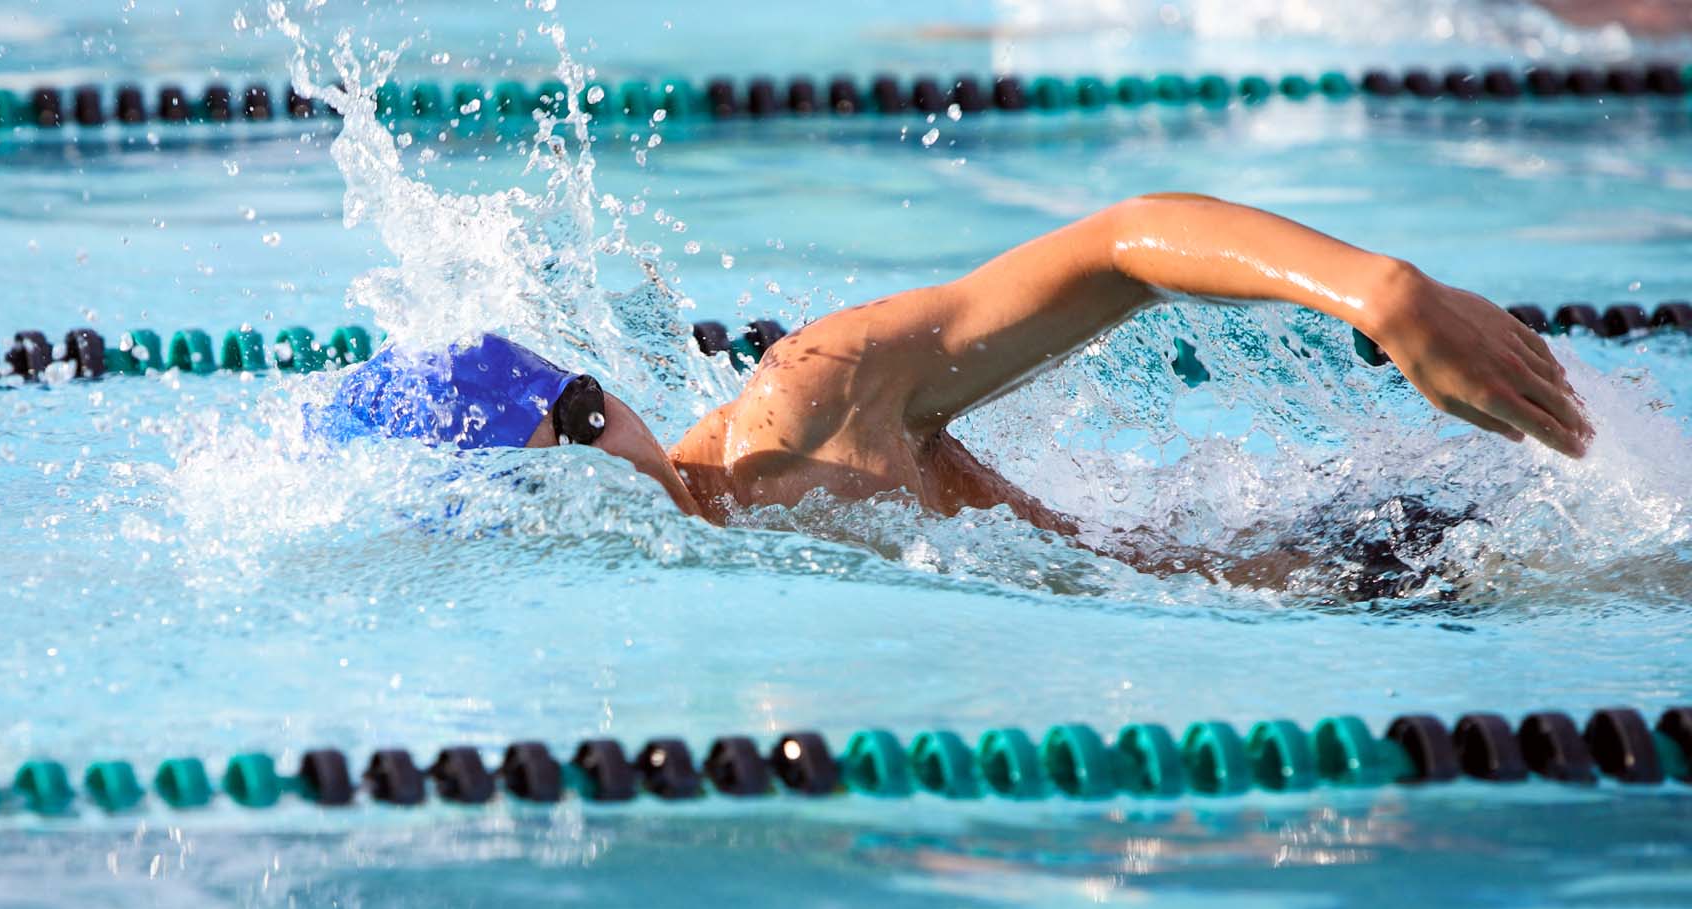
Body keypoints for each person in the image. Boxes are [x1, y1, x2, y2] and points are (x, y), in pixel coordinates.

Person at [317, 193, 1592, 585]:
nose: (615, 448)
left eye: (591, 405)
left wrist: (1379, 291)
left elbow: (1120, 246)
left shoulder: (804, 408)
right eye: (570, 442)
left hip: (1376, 567)